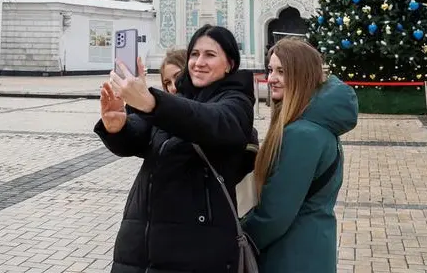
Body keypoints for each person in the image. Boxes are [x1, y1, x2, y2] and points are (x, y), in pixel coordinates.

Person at [94, 24, 256, 273]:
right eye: (194, 54)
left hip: (194, 251)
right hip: (140, 243)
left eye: (210, 55)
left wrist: (151, 102)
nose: (198, 62)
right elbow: (139, 135)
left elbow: (208, 121)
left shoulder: (236, 103)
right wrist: (117, 125)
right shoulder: (177, 100)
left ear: (230, 64)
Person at [242, 37, 358, 273]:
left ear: (301, 75)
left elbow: (275, 215)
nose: (271, 78)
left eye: (281, 72)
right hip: (312, 248)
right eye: (271, 69)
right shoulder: (316, 125)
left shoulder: (302, 134)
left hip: (292, 256)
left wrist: (240, 238)